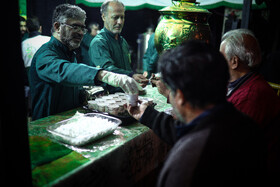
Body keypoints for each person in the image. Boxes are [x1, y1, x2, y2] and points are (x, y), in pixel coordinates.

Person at [126, 40, 266, 187]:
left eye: (171, 92)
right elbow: (191, 132)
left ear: (180, 97)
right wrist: (148, 115)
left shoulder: (186, 164)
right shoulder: (246, 126)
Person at [29, 4, 142, 120]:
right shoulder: (45, 54)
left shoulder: (69, 53)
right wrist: (104, 75)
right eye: (75, 26)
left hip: (67, 123)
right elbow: (64, 71)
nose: (81, 33)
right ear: (58, 27)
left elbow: (69, 86)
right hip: (46, 126)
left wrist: (84, 94)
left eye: (82, 28)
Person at [220, 28, 280, 129]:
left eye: (221, 56)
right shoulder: (236, 83)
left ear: (234, 62)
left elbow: (230, 138)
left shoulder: (250, 97)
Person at [88, 0, 148, 93]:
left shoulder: (123, 41)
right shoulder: (99, 42)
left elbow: (127, 69)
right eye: (115, 17)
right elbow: (107, 70)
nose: (120, 22)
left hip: (127, 95)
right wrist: (131, 75)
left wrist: (136, 81)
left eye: (122, 17)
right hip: (108, 99)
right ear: (104, 17)